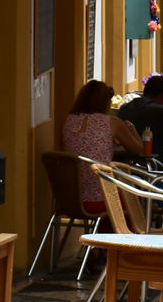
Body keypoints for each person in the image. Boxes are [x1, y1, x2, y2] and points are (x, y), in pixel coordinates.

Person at [61, 80, 145, 214]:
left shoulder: (69, 120)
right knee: (133, 194)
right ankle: (122, 232)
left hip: (69, 198)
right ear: (106, 102)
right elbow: (138, 150)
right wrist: (131, 127)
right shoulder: (111, 122)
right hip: (102, 197)